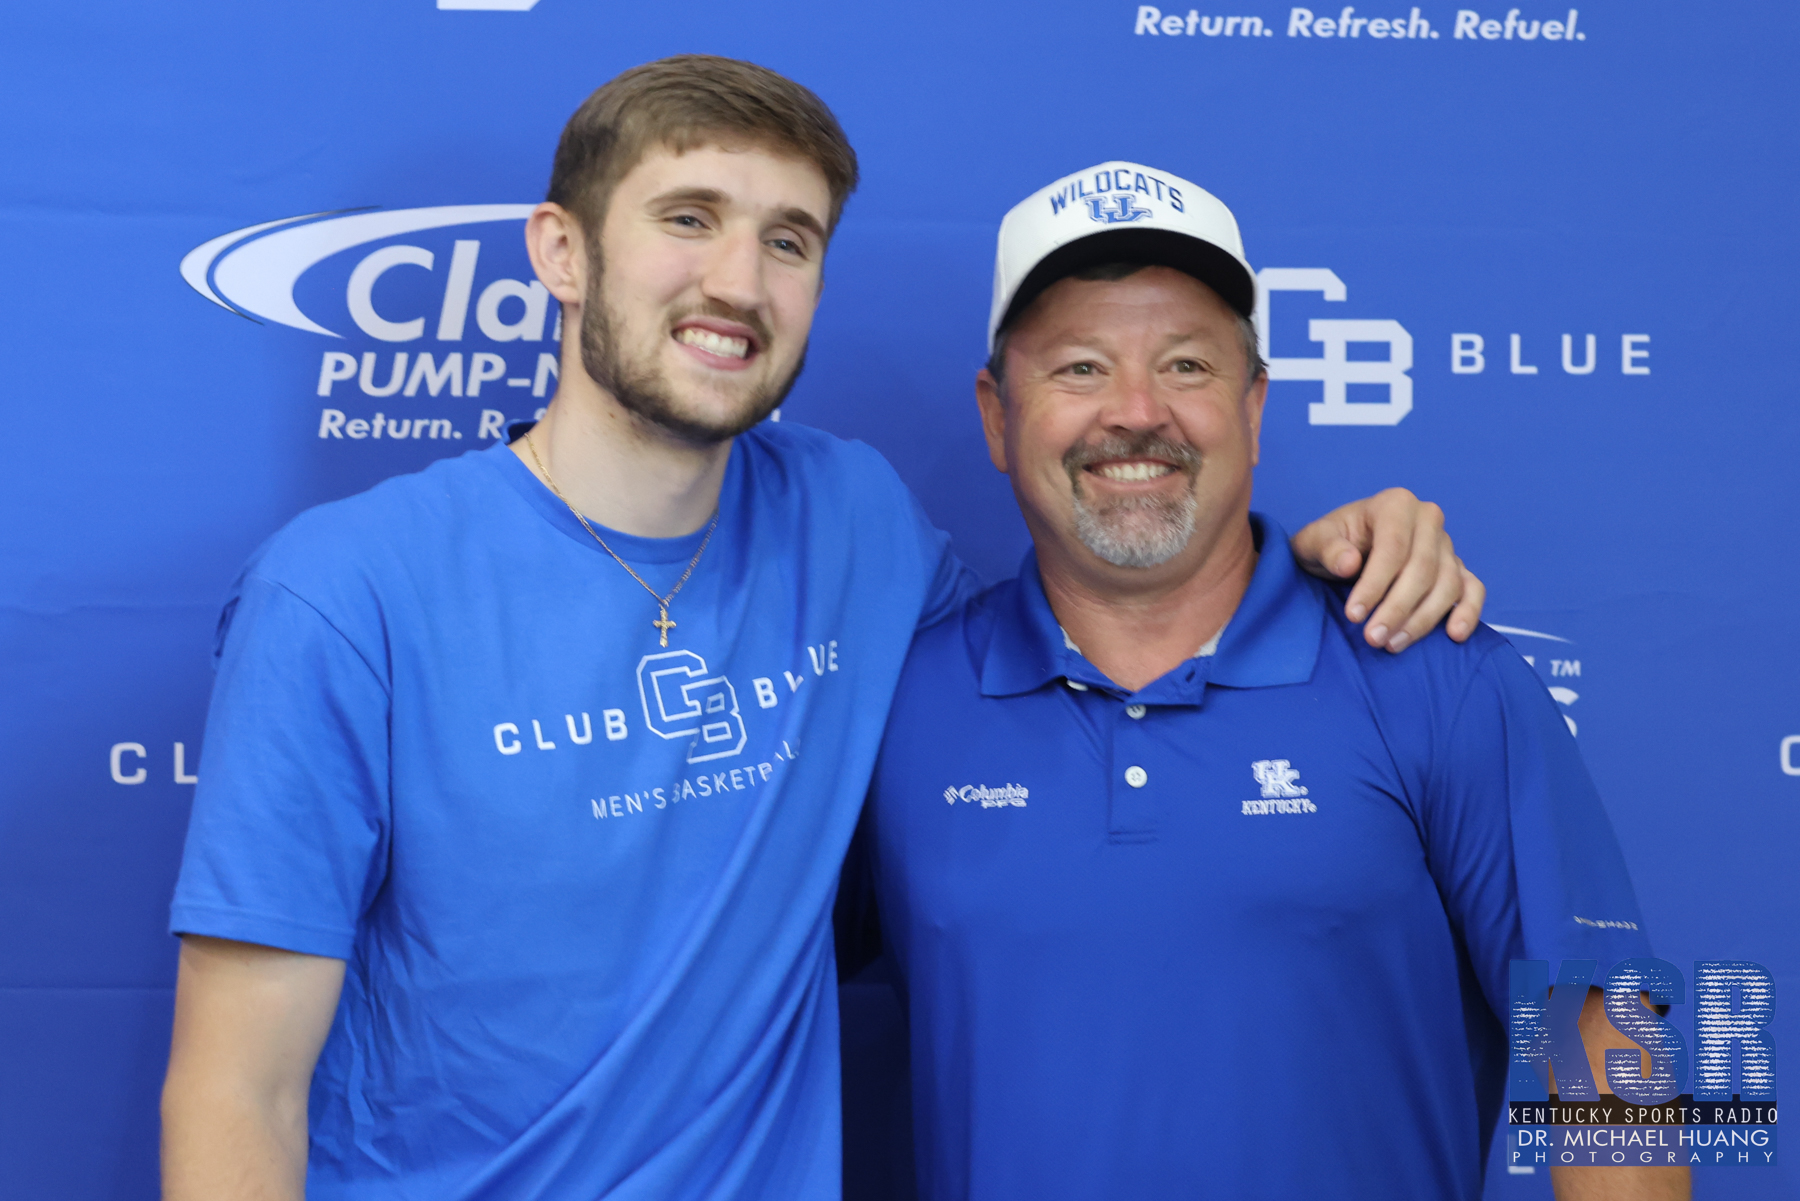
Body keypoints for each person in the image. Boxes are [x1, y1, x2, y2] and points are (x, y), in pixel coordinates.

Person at [159, 62, 1484, 1201]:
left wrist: (1322, 550)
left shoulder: (861, 526)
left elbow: (1633, 1004)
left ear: (1257, 404)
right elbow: (238, 1095)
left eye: (789, 240)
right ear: (560, 250)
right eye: (690, 218)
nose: (739, 281)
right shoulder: (344, 593)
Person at [850, 162, 1686, 1200]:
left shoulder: (1431, 667)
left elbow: (1607, 1032)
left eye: (1189, 365)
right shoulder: (892, 700)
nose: (1137, 411)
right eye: (1078, 368)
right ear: (996, 414)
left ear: (1254, 406)